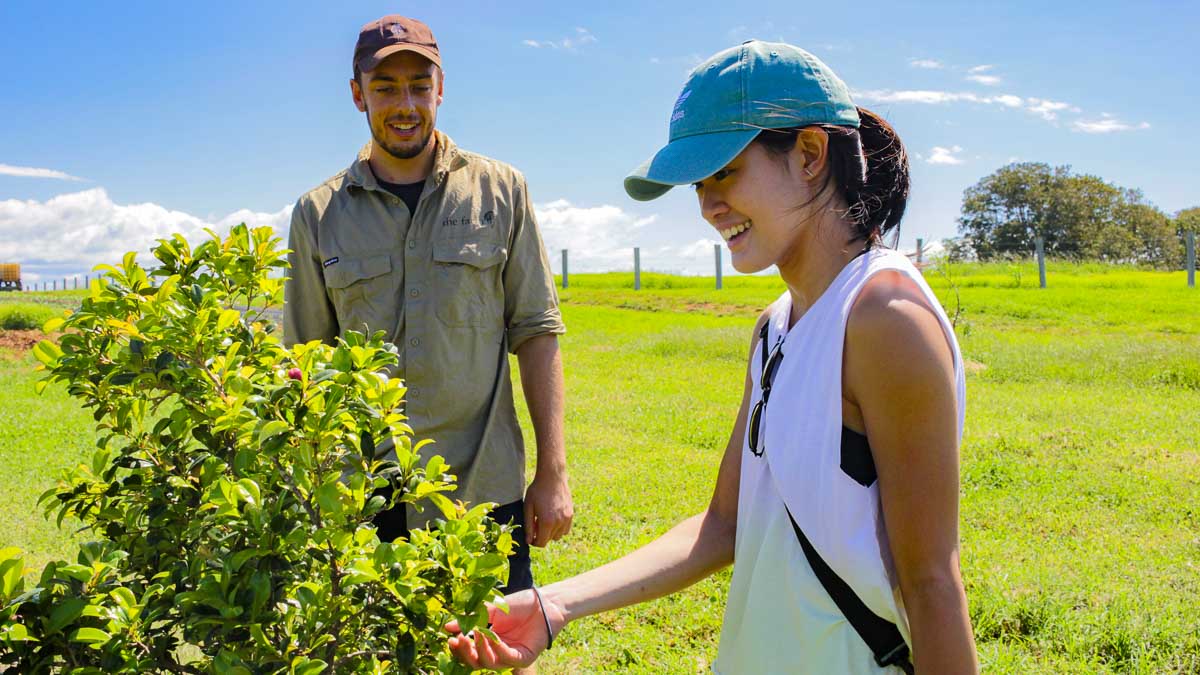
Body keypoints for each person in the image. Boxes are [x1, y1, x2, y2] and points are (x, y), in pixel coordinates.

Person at [446, 41, 979, 673]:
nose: (707, 204)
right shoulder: (776, 328)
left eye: (724, 171)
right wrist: (553, 604)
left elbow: (932, 584)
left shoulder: (884, 317)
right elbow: (726, 524)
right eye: (700, 184)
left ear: (809, 154)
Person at [283, 14, 573, 608]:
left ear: (441, 88)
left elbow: (537, 331)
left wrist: (554, 471)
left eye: (419, 84)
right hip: (368, 491)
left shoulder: (502, 190)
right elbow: (305, 362)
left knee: (504, 649)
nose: (405, 103)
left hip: (483, 482)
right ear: (357, 94)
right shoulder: (318, 214)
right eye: (385, 87)